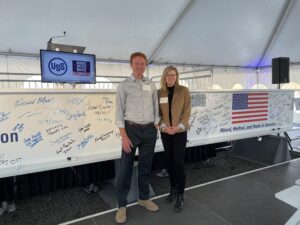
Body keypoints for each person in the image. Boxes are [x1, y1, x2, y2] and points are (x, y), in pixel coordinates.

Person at [115, 52, 160, 224]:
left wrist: (155, 125)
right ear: (131, 65)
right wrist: (124, 136)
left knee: (146, 166)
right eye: (136, 63)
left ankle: (143, 198)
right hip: (131, 130)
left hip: (149, 131)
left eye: (142, 63)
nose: (139, 66)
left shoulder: (151, 84)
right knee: (125, 168)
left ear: (146, 64)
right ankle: (121, 205)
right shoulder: (124, 85)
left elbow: (156, 107)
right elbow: (119, 113)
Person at [158, 66, 191, 212]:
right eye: (168, 75)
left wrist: (178, 127)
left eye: (173, 75)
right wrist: (164, 127)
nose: (171, 77)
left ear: (177, 77)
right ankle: (173, 189)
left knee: (178, 163)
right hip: (166, 132)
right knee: (169, 163)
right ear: (164, 77)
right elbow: (157, 113)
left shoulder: (183, 91)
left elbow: (187, 111)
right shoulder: (159, 93)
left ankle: (181, 194)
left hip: (180, 132)